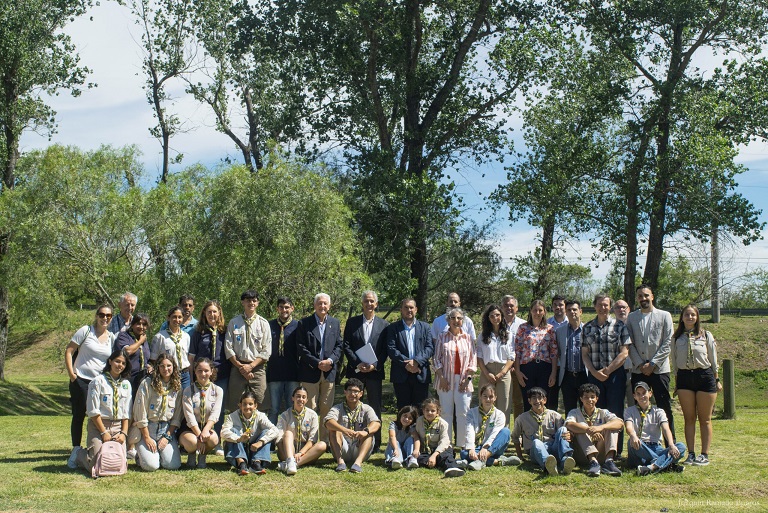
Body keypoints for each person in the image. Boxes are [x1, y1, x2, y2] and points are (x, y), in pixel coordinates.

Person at [65, 304, 117, 469]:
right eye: (102, 315)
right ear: (96, 315)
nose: (105, 318)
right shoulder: (86, 331)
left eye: (108, 315)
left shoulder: (112, 337)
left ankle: (95, 447)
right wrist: (72, 375)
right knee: (79, 414)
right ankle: (75, 450)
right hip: (81, 379)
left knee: (98, 415)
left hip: (99, 383)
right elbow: (69, 351)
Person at [671, 304, 722, 466]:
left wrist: (717, 379)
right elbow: (674, 362)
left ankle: (704, 455)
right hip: (685, 378)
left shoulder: (706, 335)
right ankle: (691, 454)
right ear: (682, 317)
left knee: (705, 419)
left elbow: (713, 359)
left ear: (697, 317)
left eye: (693, 315)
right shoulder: (676, 338)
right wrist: (677, 383)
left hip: (704, 376)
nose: (690, 317)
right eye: (687, 314)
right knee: (689, 418)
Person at [581, 294, 630, 454]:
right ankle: (599, 449)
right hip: (594, 375)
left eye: (606, 305)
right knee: (596, 413)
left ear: (610, 307)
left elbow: (624, 353)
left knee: (615, 412)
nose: (603, 308)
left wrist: (607, 371)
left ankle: (615, 451)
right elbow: (584, 354)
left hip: (615, 375)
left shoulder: (620, 326)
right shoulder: (587, 327)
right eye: (600, 305)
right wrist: (594, 372)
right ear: (595, 306)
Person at [343, 290, 390, 452]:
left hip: (374, 372)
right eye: (366, 301)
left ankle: (375, 441)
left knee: (375, 406)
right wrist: (358, 363)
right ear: (362, 303)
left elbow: (385, 349)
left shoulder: (384, 325)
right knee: (353, 405)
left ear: (376, 304)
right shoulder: (352, 322)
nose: (369, 304)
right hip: (356, 371)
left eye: (372, 301)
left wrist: (375, 365)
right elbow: (346, 345)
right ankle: (352, 439)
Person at [626, 285, 675, 437]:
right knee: (639, 408)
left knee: (664, 407)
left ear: (652, 296)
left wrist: (653, 364)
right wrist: (641, 364)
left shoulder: (664, 315)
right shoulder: (631, 317)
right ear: (637, 298)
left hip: (659, 369)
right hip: (638, 370)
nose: (643, 298)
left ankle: (670, 444)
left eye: (646, 295)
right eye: (640, 296)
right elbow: (629, 343)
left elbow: (668, 341)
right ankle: (640, 442)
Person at [73, 349, 132, 473]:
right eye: (117, 361)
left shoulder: (126, 384)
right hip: (98, 426)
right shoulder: (98, 381)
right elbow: (93, 411)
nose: (120, 365)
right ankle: (79, 454)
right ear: (110, 361)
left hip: (118, 427)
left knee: (119, 463)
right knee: (95, 464)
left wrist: (124, 433)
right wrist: (103, 432)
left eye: (123, 363)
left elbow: (126, 412)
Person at [296, 292, 343, 441]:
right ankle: (309, 440)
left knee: (326, 407)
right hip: (310, 371)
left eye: (325, 303)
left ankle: (324, 440)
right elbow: (301, 347)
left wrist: (330, 361)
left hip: (329, 372)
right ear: (314, 305)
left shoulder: (335, 323)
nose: (322, 306)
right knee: (309, 407)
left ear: (329, 306)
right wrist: (317, 363)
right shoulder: (304, 323)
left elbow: (339, 345)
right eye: (319, 303)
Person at [189, 299, 230, 455]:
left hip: (221, 375)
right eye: (209, 312)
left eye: (215, 312)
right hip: (202, 375)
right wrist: (192, 376)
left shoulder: (224, 332)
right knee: (199, 407)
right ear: (204, 314)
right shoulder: (198, 332)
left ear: (219, 314)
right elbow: (191, 357)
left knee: (218, 409)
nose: (212, 315)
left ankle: (216, 441)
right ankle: (198, 439)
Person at [433, 307, 476, 449]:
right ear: (448, 320)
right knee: (446, 413)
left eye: (459, 318)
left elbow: (473, 360)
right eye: (453, 318)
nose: (456, 321)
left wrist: (467, 379)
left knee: (463, 412)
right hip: (445, 379)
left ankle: (463, 445)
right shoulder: (442, 337)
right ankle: (446, 444)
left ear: (463, 320)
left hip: (464, 381)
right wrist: (441, 377)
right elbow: (436, 359)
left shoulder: (468, 338)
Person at [131, 353, 183, 471]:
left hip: (166, 429)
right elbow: (140, 412)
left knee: (173, 465)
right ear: (157, 367)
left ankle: (158, 454)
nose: (165, 369)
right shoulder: (147, 383)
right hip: (148, 428)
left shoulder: (177, 387)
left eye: (169, 366)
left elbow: (177, 416)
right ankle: (141, 455)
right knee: (151, 466)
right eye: (162, 366)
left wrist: (167, 437)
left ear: (174, 367)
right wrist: (147, 437)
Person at [224, 290, 271, 413]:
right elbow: (228, 348)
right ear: (242, 302)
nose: (251, 303)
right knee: (235, 403)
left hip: (257, 367)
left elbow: (266, 350)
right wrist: (241, 367)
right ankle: (236, 424)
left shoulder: (263, 323)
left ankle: (258, 425)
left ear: (258, 303)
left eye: (254, 300)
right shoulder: (234, 322)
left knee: (261, 401)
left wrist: (251, 366)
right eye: (248, 300)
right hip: (237, 366)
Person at [625, 381, 686, 475]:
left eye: (644, 393)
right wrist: (633, 435)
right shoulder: (629, 411)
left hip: (656, 447)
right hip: (640, 447)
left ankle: (651, 467)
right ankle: (666, 464)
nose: (641, 396)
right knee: (631, 442)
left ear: (650, 394)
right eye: (638, 394)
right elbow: (628, 426)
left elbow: (665, 428)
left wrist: (671, 444)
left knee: (681, 446)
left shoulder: (659, 411)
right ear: (634, 396)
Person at [511, 387, 575, 476]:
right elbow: (515, 437)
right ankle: (547, 465)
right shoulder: (522, 418)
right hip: (536, 452)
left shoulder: (555, 415)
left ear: (545, 400)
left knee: (563, 429)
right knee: (536, 442)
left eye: (540, 398)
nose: (537, 401)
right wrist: (520, 456)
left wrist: (569, 435)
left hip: (553, 448)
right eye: (534, 398)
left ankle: (565, 461)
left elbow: (565, 435)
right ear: (529, 401)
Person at [565, 383, 624, 477]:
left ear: (597, 399)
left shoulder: (603, 412)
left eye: (592, 397)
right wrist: (589, 430)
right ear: (581, 399)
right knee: (581, 426)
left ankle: (609, 462)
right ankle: (593, 462)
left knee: (611, 426)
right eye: (586, 397)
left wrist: (600, 427)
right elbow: (569, 424)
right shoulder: (574, 412)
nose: (589, 400)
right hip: (583, 454)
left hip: (601, 451)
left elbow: (619, 423)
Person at [324, 378, 381, 473]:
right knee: (333, 430)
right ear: (345, 392)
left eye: (356, 391)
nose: (352, 394)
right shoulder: (337, 408)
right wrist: (344, 430)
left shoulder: (366, 408)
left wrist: (365, 431)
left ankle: (357, 464)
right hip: (343, 448)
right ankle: (340, 462)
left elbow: (376, 423)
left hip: (359, 448)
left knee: (369, 433)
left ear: (361, 393)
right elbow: (328, 422)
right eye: (349, 390)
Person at [387, 298, 434, 410]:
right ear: (401, 310)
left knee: (421, 410)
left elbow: (429, 348)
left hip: (420, 374)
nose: (409, 310)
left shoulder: (425, 327)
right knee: (403, 410)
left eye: (411, 307)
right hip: (401, 374)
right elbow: (391, 349)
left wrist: (416, 361)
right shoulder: (393, 328)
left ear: (416, 309)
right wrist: (407, 364)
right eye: (406, 307)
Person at [457, 384, 515, 470]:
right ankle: (498, 461)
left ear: (495, 398)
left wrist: (485, 448)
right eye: (485, 396)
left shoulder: (500, 415)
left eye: (491, 397)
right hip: (477, 447)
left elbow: (494, 434)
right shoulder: (471, 413)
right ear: (480, 397)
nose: (488, 399)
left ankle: (481, 459)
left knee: (506, 432)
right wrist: (471, 449)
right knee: (464, 453)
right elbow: (470, 431)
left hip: (493, 447)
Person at [221, 390, 278, 475]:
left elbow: (275, 430)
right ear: (240, 405)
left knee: (266, 432)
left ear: (255, 406)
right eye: (244, 404)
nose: (247, 407)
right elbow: (223, 432)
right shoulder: (232, 416)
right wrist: (239, 439)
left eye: (250, 404)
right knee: (233, 431)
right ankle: (241, 463)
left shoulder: (260, 416)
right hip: (238, 449)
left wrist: (260, 442)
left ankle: (256, 463)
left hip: (255, 449)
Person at [180, 358, 223, 469]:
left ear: (211, 371)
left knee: (214, 439)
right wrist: (200, 436)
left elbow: (215, 414)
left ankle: (202, 455)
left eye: (206, 370)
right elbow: (189, 416)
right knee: (193, 442)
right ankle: (191, 453)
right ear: (195, 371)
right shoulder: (188, 390)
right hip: (189, 428)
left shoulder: (218, 390)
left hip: (206, 427)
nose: (203, 374)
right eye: (199, 370)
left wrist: (205, 430)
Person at [514, 300, 558, 411]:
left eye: (540, 310)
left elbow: (554, 352)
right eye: (535, 310)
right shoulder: (522, 328)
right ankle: (529, 422)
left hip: (545, 368)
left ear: (544, 312)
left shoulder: (550, 329)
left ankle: (543, 422)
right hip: (527, 368)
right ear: (531, 311)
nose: (537, 313)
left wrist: (553, 373)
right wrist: (518, 371)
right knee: (528, 400)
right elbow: (517, 351)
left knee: (543, 400)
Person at [476, 304, 515, 426]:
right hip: (487, 371)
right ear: (488, 318)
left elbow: (512, 356)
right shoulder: (482, 336)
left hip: (504, 371)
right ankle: (485, 431)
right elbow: (479, 357)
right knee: (486, 403)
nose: (495, 318)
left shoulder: (509, 335)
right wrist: (487, 373)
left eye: (497, 315)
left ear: (501, 316)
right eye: (492, 316)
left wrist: (502, 372)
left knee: (504, 404)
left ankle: (503, 432)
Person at [275, 386, 327, 475]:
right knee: (288, 433)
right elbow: (279, 438)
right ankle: (290, 460)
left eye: (303, 397)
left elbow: (312, 440)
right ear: (293, 398)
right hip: (288, 450)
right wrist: (286, 453)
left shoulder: (313, 415)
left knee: (323, 445)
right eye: (298, 396)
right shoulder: (285, 415)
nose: (301, 399)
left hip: (306, 453)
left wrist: (301, 453)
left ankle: (293, 464)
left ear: (307, 400)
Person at [411, 397, 465, 477]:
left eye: (433, 411)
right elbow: (415, 434)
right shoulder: (419, 421)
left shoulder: (443, 423)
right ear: (423, 411)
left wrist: (434, 455)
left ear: (438, 412)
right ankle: (447, 462)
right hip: (427, 450)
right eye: (427, 410)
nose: (429, 413)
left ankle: (451, 468)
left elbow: (444, 442)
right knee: (419, 458)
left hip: (441, 450)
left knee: (444, 455)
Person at [267, 297, 300, 425]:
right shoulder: (269, 325)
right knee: (273, 408)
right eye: (281, 307)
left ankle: (290, 434)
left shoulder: (298, 326)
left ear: (292, 308)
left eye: (287, 307)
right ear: (277, 309)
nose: (284, 310)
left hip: (293, 373)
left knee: (291, 408)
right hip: (274, 373)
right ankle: (271, 436)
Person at [556, 300, 588, 415]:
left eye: (574, 309)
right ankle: (571, 427)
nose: (572, 312)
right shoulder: (559, 331)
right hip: (567, 376)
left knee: (587, 408)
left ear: (580, 311)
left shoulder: (588, 329)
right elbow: (558, 352)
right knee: (569, 410)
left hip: (584, 375)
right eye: (569, 310)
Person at [151, 306, 192, 391]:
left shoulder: (186, 336)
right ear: (168, 318)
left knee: (185, 398)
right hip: (168, 374)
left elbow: (188, 357)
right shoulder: (159, 337)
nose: (177, 320)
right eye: (174, 317)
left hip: (184, 375)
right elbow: (154, 359)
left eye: (180, 317)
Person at [114, 313, 152, 398]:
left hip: (142, 378)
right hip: (128, 378)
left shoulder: (144, 339)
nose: (141, 327)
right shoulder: (124, 336)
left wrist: (149, 366)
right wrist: (140, 341)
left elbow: (145, 357)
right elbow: (127, 351)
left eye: (144, 324)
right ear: (132, 324)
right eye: (138, 323)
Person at [501, 294, 525, 419]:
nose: (508, 308)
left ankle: (517, 429)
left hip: (518, 370)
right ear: (501, 308)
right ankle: (501, 429)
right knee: (501, 401)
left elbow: (526, 348)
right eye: (506, 306)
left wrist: (517, 367)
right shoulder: (496, 324)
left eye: (511, 305)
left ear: (516, 308)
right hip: (500, 369)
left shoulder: (523, 325)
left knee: (518, 402)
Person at [384, 405, 418, 470]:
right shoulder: (394, 424)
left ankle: (411, 458)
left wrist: (416, 450)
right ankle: (394, 459)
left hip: (404, 450)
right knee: (394, 442)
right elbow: (392, 437)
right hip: (394, 450)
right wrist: (396, 448)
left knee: (411, 439)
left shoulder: (411, 427)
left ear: (413, 420)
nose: (406, 419)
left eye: (410, 418)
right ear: (400, 415)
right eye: (405, 416)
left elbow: (416, 438)